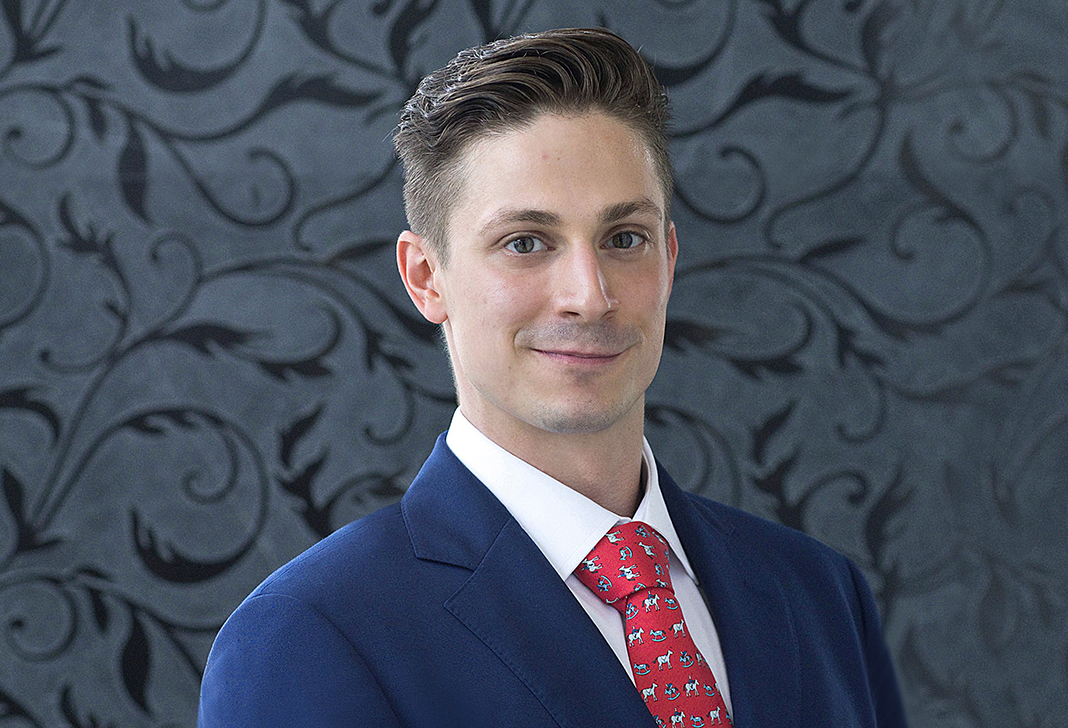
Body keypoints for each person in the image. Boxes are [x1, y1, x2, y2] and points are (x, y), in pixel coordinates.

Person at [198, 28, 907, 727]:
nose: (589, 296)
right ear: (426, 277)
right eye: (526, 242)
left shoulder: (819, 592)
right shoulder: (307, 636)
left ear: (669, 259)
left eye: (623, 238)